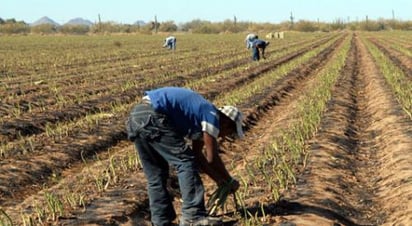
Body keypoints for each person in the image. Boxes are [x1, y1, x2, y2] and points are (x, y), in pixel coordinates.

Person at [126, 86, 242, 226]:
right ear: (226, 122)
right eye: (230, 132)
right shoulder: (211, 115)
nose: (225, 135)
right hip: (153, 116)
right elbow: (212, 158)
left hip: (137, 116)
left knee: (156, 174)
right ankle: (193, 216)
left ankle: (161, 221)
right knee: (186, 162)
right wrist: (229, 181)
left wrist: (219, 180)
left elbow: (200, 157)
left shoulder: (199, 119)